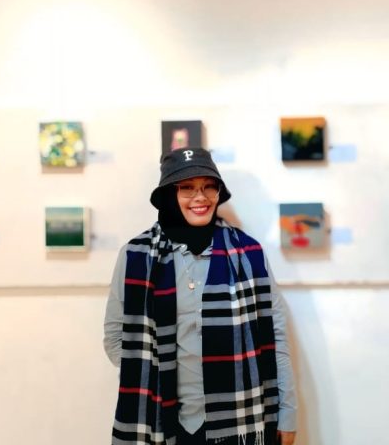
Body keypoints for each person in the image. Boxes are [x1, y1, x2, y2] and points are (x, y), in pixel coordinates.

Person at [104, 148, 297, 445]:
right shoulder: (135, 256)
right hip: (160, 419)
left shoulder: (249, 253)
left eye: (209, 186)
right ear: (169, 194)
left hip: (240, 419)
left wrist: (287, 412)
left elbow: (276, 337)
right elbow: (116, 337)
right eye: (187, 187)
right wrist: (151, 378)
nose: (200, 197)